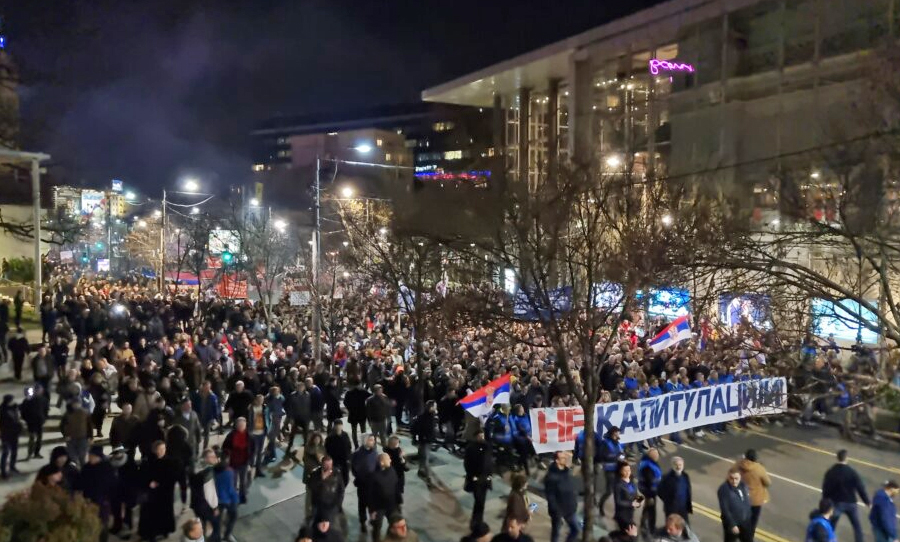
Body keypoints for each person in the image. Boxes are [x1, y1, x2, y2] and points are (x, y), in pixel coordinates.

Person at [822, 449, 869, 542]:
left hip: (836, 503)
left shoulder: (831, 471)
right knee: (857, 526)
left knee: (832, 524)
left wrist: (825, 500)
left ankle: (828, 539)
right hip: (851, 503)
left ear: (837, 458)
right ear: (846, 458)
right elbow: (860, 488)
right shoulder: (852, 472)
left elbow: (826, 487)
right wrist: (867, 501)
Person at [139, 440, 178, 542]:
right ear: (155, 450)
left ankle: (164, 531)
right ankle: (151, 534)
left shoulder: (169, 462)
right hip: (152, 494)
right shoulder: (148, 461)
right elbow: (143, 476)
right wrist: (149, 483)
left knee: (164, 513)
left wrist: (161, 484)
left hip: (165, 493)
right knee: (151, 515)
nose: (162, 451)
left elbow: (172, 477)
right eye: (160, 449)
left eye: (164, 448)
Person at [76, 445, 117, 538]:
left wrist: (109, 499)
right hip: (88, 501)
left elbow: (113, 485)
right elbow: (80, 482)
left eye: (93, 456)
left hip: (103, 501)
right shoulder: (86, 468)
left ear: (99, 457)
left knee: (103, 525)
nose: (90, 458)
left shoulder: (107, 468)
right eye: (90, 455)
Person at [732, 448, 770, 539]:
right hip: (755, 500)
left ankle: (740, 535)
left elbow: (732, 473)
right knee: (752, 522)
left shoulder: (739, 464)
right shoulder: (759, 468)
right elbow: (768, 483)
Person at [544, 450, 579, 542]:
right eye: (563, 458)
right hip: (558, 510)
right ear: (557, 461)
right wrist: (556, 511)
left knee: (576, 529)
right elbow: (550, 496)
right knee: (556, 533)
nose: (565, 459)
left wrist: (574, 503)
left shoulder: (566, 471)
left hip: (570, 508)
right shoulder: (551, 477)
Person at [464, 428, 494, 530]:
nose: (481, 437)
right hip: (476, 478)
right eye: (479, 436)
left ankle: (478, 519)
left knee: (482, 501)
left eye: (482, 435)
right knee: (479, 500)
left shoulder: (487, 447)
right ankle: (475, 520)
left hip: (485, 478)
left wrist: (490, 475)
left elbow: (490, 462)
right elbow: (467, 463)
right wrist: (472, 476)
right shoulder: (471, 448)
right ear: (476, 437)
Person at [368, 452, 400, 541]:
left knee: (394, 525)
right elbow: (370, 495)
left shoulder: (392, 471)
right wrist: (372, 511)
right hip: (379, 508)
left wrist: (398, 503)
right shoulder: (374, 476)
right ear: (381, 462)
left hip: (391, 505)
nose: (390, 460)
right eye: (388, 459)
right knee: (377, 527)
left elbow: (396, 487)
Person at [189, 449, 220, 542]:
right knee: (216, 524)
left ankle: (201, 537)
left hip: (195, 503)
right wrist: (215, 507)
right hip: (205, 505)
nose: (215, 458)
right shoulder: (208, 472)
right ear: (206, 458)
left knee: (201, 524)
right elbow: (210, 493)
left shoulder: (194, 467)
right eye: (212, 457)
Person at [309, 455, 346, 533]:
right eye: (327, 465)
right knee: (316, 526)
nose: (329, 467)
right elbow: (312, 488)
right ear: (322, 464)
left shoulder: (336, 473)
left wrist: (338, 504)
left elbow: (341, 489)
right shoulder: (315, 474)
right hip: (318, 506)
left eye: (330, 464)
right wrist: (322, 479)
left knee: (330, 526)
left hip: (331, 506)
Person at [351, 434, 379, 534]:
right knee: (362, 504)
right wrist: (360, 477)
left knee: (372, 503)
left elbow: (377, 465)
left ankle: (372, 519)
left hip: (372, 484)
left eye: (373, 440)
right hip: (362, 484)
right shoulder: (358, 453)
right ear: (365, 441)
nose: (373, 442)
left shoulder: (374, 452)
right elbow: (354, 468)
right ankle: (363, 522)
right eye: (371, 440)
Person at [222, 417, 254, 504]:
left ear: (245, 425)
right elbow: (224, 448)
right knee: (234, 482)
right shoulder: (231, 436)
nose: (241, 427)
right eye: (239, 425)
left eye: (243, 425)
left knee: (243, 481)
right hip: (233, 463)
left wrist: (250, 463)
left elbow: (253, 450)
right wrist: (227, 458)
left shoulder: (249, 436)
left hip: (244, 462)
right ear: (236, 425)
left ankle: (242, 496)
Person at [717, 469, 752, 542]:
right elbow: (725, 509)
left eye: (736, 478)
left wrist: (748, 516)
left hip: (745, 521)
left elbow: (746, 501)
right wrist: (732, 524)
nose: (734, 481)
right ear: (728, 477)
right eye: (731, 478)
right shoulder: (724, 489)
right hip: (733, 523)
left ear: (740, 477)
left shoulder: (743, 485)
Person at [215, 447, 241, 542]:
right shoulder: (230, 471)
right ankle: (227, 535)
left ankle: (217, 536)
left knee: (218, 519)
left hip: (218, 500)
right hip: (229, 499)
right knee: (233, 517)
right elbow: (232, 487)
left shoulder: (213, 471)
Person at [598, 426, 625, 517]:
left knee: (618, 491)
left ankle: (618, 512)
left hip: (618, 470)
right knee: (609, 491)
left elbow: (622, 453)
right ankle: (600, 507)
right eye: (617, 432)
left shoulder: (618, 443)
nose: (619, 434)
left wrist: (622, 457)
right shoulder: (605, 443)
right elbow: (602, 455)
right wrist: (616, 457)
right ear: (613, 433)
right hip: (609, 470)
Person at [658, 457, 693, 523]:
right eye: (676, 465)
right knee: (672, 529)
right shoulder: (666, 477)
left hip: (683, 509)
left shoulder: (685, 476)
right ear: (672, 465)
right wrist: (668, 502)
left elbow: (688, 490)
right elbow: (659, 491)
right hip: (671, 510)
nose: (678, 467)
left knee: (686, 528)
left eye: (680, 465)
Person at [60, 401, 93, 468]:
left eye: (78, 403)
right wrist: (65, 435)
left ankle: (83, 472)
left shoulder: (85, 412)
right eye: (75, 404)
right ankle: (74, 471)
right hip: (71, 438)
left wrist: (90, 437)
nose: (76, 405)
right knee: (72, 457)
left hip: (83, 438)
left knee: (82, 457)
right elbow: (62, 426)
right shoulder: (67, 414)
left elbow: (89, 425)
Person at [410, 400, 436, 485]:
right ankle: (429, 477)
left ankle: (421, 470)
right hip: (424, 441)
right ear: (431, 407)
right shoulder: (423, 417)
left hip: (427, 440)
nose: (436, 408)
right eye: (435, 406)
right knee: (425, 459)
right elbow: (414, 428)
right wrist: (416, 438)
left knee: (422, 456)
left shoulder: (431, 416)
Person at [638, 448, 663, 536]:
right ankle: (651, 528)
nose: (657, 456)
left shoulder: (648, 463)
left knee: (647, 508)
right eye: (655, 455)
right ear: (651, 456)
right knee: (652, 510)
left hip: (648, 491)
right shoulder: (648, 467)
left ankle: (643, 524)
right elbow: (649, 482)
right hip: (649, 492)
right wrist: (651, 496)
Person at [20, 384, 49, 459]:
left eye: (40, 390)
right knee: (32, 438)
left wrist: (44, 418)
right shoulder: (28, 400)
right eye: (37, 390)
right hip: (31, 422)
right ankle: (30, 453)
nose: (39, 392)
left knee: (39, 438)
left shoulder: (44, 400)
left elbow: (46, 410)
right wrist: (26, 419)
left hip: (40, 421)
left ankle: (37, 453)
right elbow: (23, 410)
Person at [614, 461, 643, 531]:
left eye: (629, 470)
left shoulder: (633, 482)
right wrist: (631, 504)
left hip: (631, 513)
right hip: (622, 514)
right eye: (625, 471)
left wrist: (639, 500)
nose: (627, 473)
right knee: (630, 531)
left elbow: (636, 494)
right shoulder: (618, 485)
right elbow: (618, 502)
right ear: (620, 471)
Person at [0, 394, 23, 478]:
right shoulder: (2, 410)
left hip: (14, 434)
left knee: (14, 452)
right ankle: (3, 472)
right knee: (5, 453)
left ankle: (12, 467)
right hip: (6, 435)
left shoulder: (14, 408)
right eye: (12, 400)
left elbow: (17, 416)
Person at [325, 420, 352, 487]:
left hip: (345, 460)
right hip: (335, 461)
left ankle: (343, 487)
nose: (338, 427)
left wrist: (349, 457)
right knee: (336, 477)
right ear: (334, 426)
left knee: (346, 477)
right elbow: (327, 450)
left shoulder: (345, 435)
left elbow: (349, 446)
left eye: (340, 425)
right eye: (337, 426)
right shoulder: (330, 437)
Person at [344, 383, 370, 449]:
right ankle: (364, 444)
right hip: (362, 414)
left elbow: (345, 402)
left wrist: (350, 409)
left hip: (353, 414)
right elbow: (370, 396)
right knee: (363, 431)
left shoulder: (349, 393)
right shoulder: (363, 392)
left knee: (354, 431)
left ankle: (356, 445)